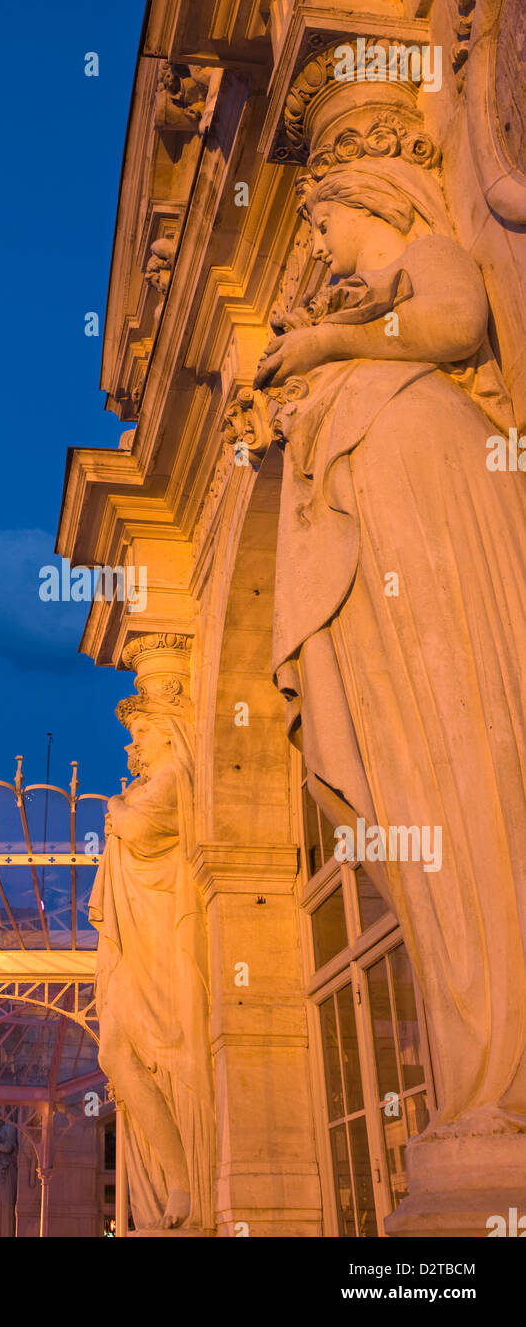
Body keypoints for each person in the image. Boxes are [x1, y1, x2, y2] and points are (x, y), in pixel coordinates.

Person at [253, 155, 526, 1136]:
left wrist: (332, 340)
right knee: (427, 783)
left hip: (433, 501)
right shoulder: (372, 315)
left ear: (363, 201)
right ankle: (477, 1075)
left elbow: (455, 324)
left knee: (470, 753)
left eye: (319, 224)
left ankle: (502, 1063)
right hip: (391, 525)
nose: (317, 246)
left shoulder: (427, 253)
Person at [90, 692, 214, 1231]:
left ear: (168, 731)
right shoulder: (146, 786)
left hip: (163, 931)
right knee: (114, 1055)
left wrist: (115, 809)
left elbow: (138, 829)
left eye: (141, 731)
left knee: (144, 1050)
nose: (131, 742)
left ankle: (186, 1178)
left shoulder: (173, 779)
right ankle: (178, 1175)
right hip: (136, 935)